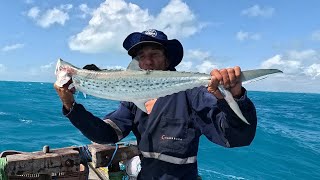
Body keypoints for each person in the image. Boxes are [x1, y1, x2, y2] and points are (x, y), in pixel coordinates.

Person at [54, 29, 257, 179]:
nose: (147, 61)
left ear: (167, 60)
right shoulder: (133, 100)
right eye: (142, 57)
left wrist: (235, 96)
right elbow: (105, 135)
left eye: (154, 54)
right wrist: (71, 106)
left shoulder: (192, 94)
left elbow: (236, 137)